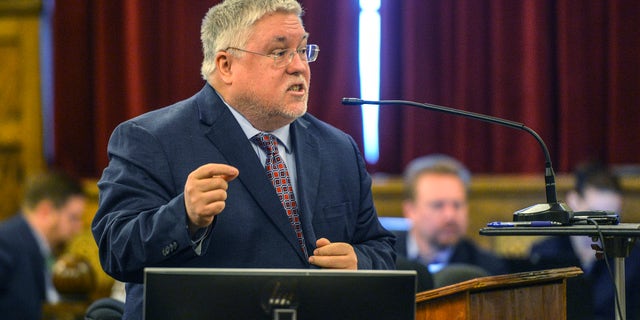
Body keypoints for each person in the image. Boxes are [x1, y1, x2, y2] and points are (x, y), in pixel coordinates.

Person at [91, 1, 396, 319]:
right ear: (226, 65)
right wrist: (183, 216)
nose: (299, 66)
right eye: (280, 53)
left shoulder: (338, 148)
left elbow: (379, 246)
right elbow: (116, 251)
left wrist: (360, 263)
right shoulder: (150, 139)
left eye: (303, 50)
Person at [529, 162, 640, 320]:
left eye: (612, 217)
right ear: (573, 201)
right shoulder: (543, 254)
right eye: (595, 215)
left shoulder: (633, 257)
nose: (602, 226)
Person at [394, 154, 508, 279]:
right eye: (438, 205)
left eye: (457, 205)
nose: (450, 216)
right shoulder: (384, 259)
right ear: (410, 210)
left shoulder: (486, 268)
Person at [0, 171, 86, 320]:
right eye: (73, 218)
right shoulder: (5, 244)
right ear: (45, 211)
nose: (78, 227)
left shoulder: (43, 247)